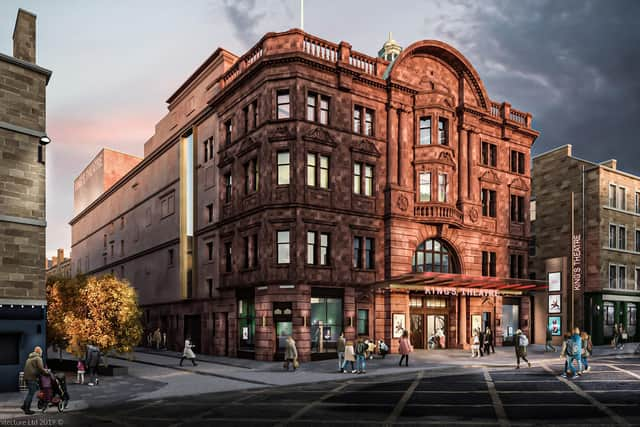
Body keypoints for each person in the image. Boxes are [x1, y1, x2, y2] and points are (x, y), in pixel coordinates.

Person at [21, 346, 47, 415]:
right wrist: (47, 373)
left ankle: (24, 406)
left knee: (30, 392)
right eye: (41, 352)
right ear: (40, 352)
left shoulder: (29, 358)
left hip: (26, 377)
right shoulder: (38, 358)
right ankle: (27, 409)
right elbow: (41, 369)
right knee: (31, 393)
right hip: (32, 378)